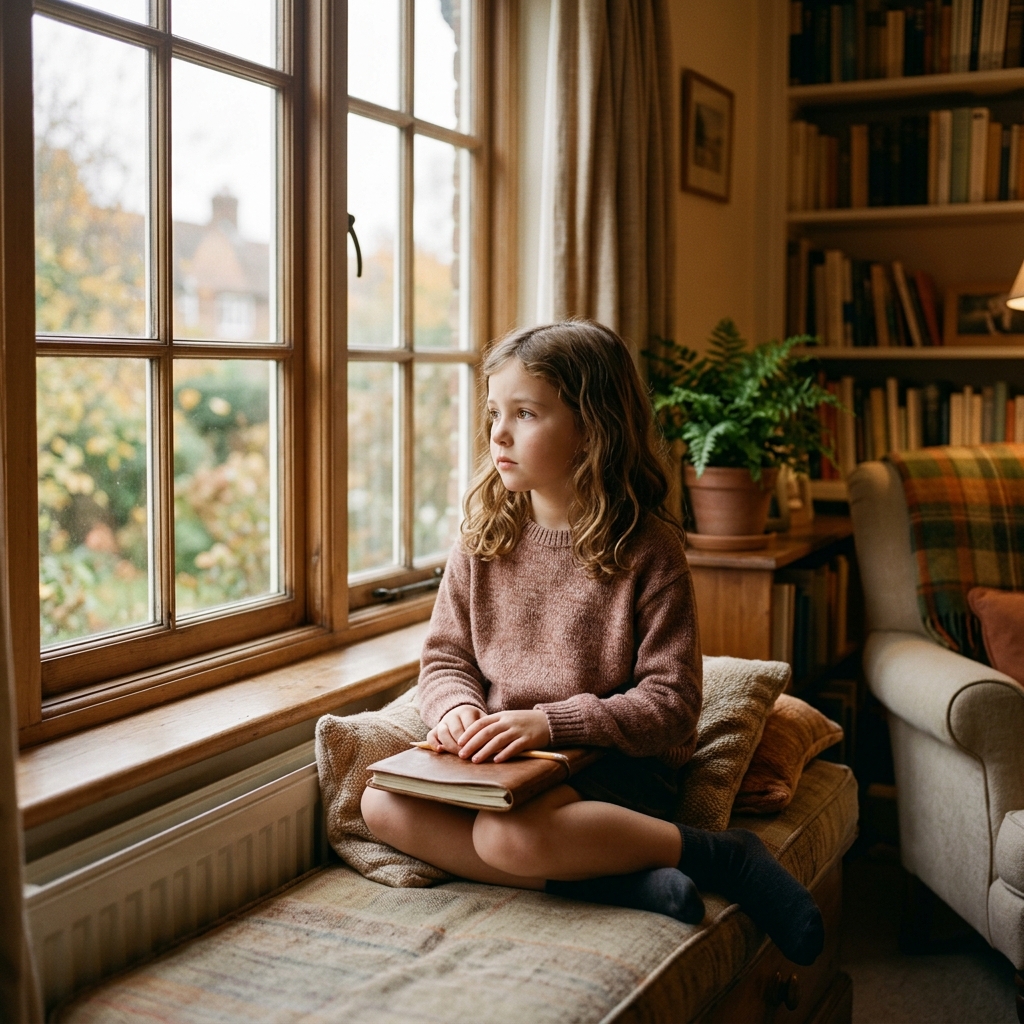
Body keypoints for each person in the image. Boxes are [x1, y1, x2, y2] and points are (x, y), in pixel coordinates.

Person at [361, 320, 824, 966]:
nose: (498, 433)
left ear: (591, 429)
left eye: (526, 413)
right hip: (502, 762)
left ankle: (723, 856)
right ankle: (624, 881)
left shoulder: (649, 548)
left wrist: (548, 724)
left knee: (503, 836)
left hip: (610, 767)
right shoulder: (483, 532)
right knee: (378, 803)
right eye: (495, 412)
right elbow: (445, 658)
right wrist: (456, 711)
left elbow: (672, 704)